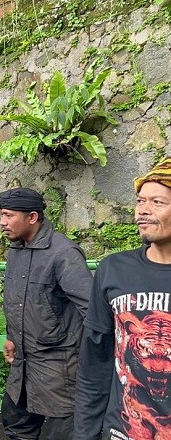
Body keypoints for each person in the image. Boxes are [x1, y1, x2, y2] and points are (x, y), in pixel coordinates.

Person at [74, 158, 171, 440]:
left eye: (157, 202)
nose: (143, 211)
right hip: (124, 430)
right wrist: (85, 434)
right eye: (140, 201)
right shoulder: (113, 270)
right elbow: (95, 363)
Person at [0, 187, 91, 440]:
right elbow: (18, 301)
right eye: (1, 215)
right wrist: (11, 337)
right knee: (16, 426)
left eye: (8, 215)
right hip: (23, 367)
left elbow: (91, 310)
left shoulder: (64, 254)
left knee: (60, 434)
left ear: (32, 217)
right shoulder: (16, 250)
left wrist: (92, 361)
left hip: (59, 372)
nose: (2, 223)